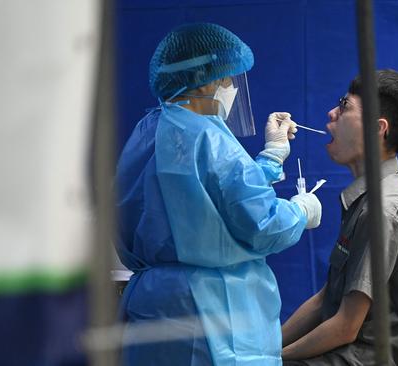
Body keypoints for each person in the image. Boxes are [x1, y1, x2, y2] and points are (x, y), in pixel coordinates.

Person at [115, 23, 322, 366]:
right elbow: (261, 224)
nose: (230, 88)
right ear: (207, 80)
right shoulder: (210, 138)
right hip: (212, 309)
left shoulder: (146, 132)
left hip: (152, 304)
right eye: (227, 79)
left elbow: (207, 201)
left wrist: (271, 159)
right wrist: (301, 210)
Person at [281, 69, 398, 365]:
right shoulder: (369, 201)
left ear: (377, 128)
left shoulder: (383, 210)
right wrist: (265, 349)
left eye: (345, 106)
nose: (332, 113)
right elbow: (325, 300)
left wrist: (272, 359)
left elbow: (345, 328)